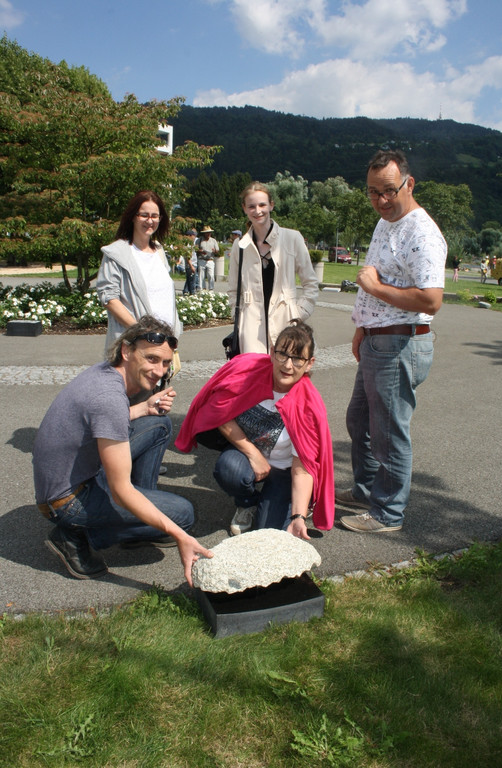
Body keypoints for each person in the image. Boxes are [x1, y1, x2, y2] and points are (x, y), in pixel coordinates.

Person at [32, 315, 212, 585]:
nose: (160, 371)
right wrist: (180, 535)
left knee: (159, 424)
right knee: (183, 515)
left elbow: (101, 422)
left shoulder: (105, 374)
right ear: (127, 351)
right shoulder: (109, 398)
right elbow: (120, 490)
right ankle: (73, 535)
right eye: (151, 359)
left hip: (71, 476)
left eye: (165, 362)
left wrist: (145, 407)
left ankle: (139, 514)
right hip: (65, 501)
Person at [337, 149, 446, 533]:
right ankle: (367, 491)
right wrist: (362, 327)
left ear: (408, 184)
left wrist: (375, 288)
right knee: (360, 421)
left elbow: (431, 300)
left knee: (388, 432)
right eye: (373, 191)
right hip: (378, 340)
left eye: (388, 190)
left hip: (400, 345)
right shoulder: (387, 222)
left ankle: (387, 512)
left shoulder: (421, 233)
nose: (381, 200)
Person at [175, 321, 334, 538]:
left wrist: (298, 516)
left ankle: (278, 502)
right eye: (283, 354)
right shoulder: (248, 374)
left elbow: (302, 469)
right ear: (272, 353)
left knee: (269, 533)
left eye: (298, 358)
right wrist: (254, 455)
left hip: (284, 469)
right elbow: (219, 413)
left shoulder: (308, 407)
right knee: (230, 469)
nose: (288, 365)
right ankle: (246, 502)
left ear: (309, 363)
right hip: (247, 454)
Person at [228, 182, 318, 353]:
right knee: (254, 369)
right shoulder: (240, 246)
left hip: (287, 323)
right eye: (251, 206)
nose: (257, 211)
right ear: (244, 209)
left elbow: (311, 283)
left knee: (286, 367)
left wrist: (298, 313)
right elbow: (233, 290)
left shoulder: (292, 238)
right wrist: (238, 316)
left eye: (262, 205)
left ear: (271, 205)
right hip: (251, 329)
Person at [97, 190, 182, 354]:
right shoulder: (116, 253)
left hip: (164, 344)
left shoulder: (159, 251)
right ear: (133, 217)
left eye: (155, 216)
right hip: (134, 345)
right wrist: (142, 332)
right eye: (144, 215)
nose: (150, 221)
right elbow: (109, 299)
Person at [196, 226, 219, 290]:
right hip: (202, 259)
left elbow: (217, 250)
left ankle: (211, 289)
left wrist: (215, 251)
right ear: (204, 233)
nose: (208, 234)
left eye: (209, 232)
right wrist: (200, 251)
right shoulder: (199, 240)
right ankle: (202, 288)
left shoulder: (213, 240)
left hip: (210, 259)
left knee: (211, 275)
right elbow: (195, 249)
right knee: (201, 276)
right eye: (207, 232)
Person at [182, 228, 197, 295]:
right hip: (191, 265)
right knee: (192, 281)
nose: (194, 237)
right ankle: (192, 293)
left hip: (192, 264)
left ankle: (185, 291)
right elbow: (188, 257)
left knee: (189, 279)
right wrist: (191, 266)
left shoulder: (191, 244)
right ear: (190, 236)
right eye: (193, 235)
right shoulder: (188, 245)